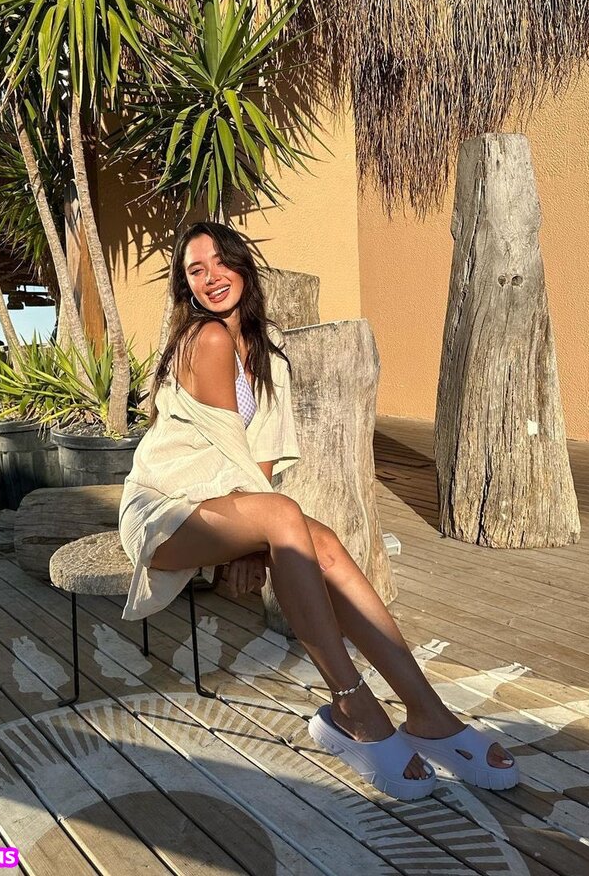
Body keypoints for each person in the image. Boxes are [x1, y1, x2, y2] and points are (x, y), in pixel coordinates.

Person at [118, 221, 519, 800]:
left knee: (322, 541)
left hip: (227, 502)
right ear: (186, 288)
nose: (212, 278)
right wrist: (258, 534)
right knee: (285, 516)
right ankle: (352, 704)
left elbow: (259, 465)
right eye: (195, 271)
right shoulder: (205, 338)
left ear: (242, 265)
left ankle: (427, 711)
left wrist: (253, 541)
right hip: (163, 504)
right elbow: (229, 450)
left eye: (220, 262)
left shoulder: (269, 356)